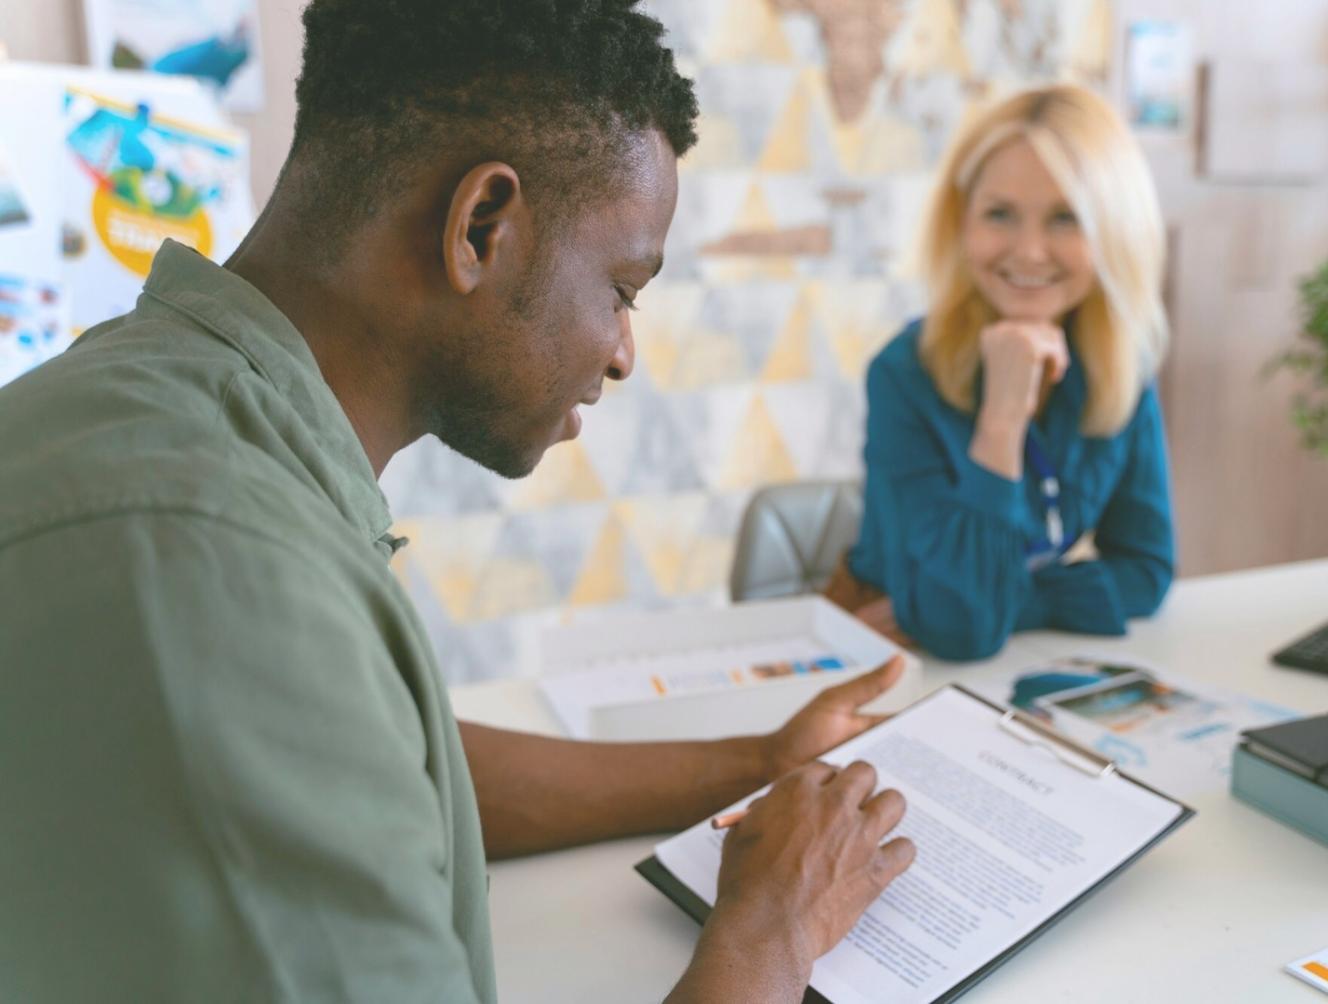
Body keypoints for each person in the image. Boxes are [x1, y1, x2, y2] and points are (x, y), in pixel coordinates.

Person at [0, 2, 914, 1001]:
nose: (622, 352)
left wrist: (758, 761)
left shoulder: (169, 414)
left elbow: (379, 755)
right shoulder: (214, 567)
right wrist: (771, 932)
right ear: (481, 226)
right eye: (621, 288)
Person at [830, 83, 1176, 661]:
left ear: (1115, 231)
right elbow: (958, 630)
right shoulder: (903, 374)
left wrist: (1027, 597)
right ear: (962, 222)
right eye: (1000, 214)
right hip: (887, 651)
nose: (1030, 251)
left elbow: (1146, 571)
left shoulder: (1121, 365)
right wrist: (1003, 418)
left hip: (1007, 647)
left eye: (1066, 217)